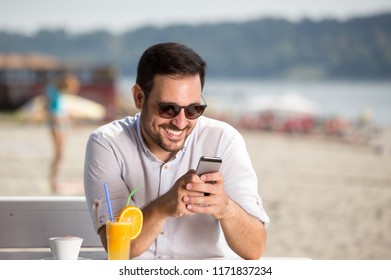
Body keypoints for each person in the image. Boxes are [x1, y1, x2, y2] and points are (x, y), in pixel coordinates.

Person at [84, 42, 270, 260]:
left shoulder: (223, 140)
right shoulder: (108, 144)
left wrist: (225, 208)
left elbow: (254, 249)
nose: (181, 122)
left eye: (193, 109)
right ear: (138, 98)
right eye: (168, 108)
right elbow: (119, 250)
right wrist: (164, 206)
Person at [45, 73, 80, 193]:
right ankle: (52, 181)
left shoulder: (59, 93)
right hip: (56, 125)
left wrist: (67, 116)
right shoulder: (53, 91)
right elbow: (50, 110)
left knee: (60, 154)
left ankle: (54, 180)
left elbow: (58, 110)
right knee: (59, 154)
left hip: (61, 124)